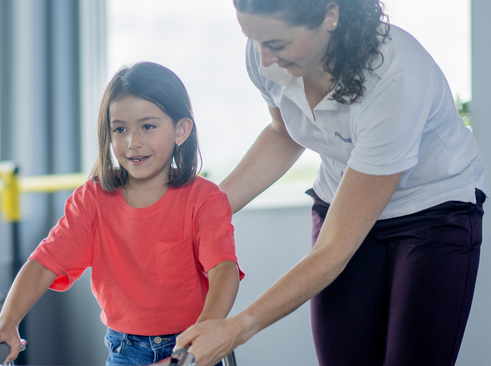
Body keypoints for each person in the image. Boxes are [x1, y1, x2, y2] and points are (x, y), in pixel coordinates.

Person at [173, 1, 486, 365]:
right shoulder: (267, 54)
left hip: (432, 213)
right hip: (340, 198)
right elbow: (283, 132)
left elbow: (335, 247)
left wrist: (238, 328)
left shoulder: (397, 77)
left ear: (330, 16)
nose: (264, 58)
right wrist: (199, 214)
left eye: (276, 43)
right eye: (254, 40)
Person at [0, 61, 243, 366]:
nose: (133, 142)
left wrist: (204, 335)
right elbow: (42, 263)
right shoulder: (91, 201)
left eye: (148, 126)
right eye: (120, 129)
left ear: (181, 130)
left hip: (191, 349)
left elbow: (224, 269)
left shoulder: (204, 198)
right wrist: (7, 321)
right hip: (125, 352)